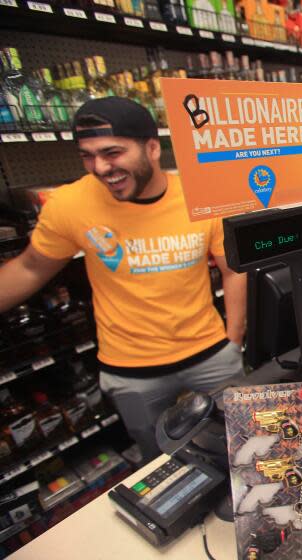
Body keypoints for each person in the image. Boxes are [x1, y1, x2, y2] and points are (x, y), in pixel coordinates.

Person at [0, 97, 247, 463]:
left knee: (240, 446)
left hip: (211, 354)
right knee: (160, 463)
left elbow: (232, 268)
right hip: (130, 371)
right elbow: (31, 267)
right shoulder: (71, 204)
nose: (100, 167)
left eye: (112, 152)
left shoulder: (199, 194)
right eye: (87, 155)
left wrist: (233, 339)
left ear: (151, 147)